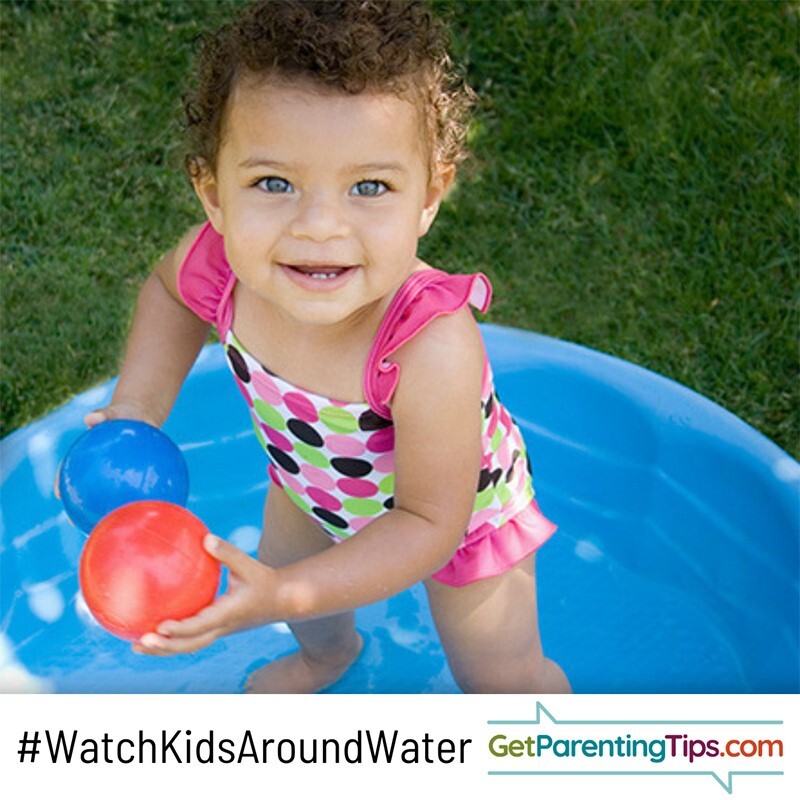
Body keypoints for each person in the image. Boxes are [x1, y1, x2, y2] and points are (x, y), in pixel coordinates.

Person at [87, 0, 570, 694]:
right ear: (213, 192)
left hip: (457, 523)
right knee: (292, 587)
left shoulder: (429, 343)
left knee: (499, 674)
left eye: (369, 186)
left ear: (430, 196)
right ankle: (327, 656)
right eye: (274, 183)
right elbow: (168, 298)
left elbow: (429, 524)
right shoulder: (223, 268)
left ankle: (566, 756)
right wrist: (136, 409)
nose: (319, 226)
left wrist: (286, 592)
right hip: (310, 487)